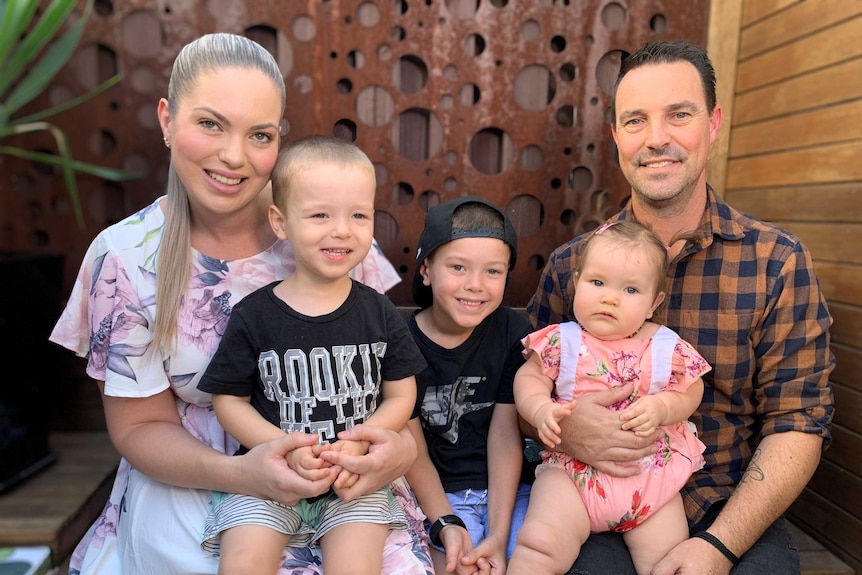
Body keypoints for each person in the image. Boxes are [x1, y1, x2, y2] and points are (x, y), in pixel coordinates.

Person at [48, 33, 433, 575]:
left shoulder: (329, 231)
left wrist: (399, 452)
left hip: (345, 479)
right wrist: (245, 474)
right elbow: (138, 427)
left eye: (259, 134)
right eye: (210, 123)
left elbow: (381, 384)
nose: (234, 156)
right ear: (166, 119)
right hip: (198, 476)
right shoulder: (126, 258)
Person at [527, 39, 835, 575]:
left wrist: (719, 546)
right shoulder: (572, 266)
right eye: (636, 120)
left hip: (728, 505)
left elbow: (798, 421)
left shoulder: (775, 262)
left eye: (679, 114)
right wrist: (559, 428)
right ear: (617, 136)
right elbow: (523, 391)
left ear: (713, 123)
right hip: (592, 493)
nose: (657, 139)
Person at [196, 135, 425, 575]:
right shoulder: (255, 315)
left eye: (358, 215)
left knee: (357, 565)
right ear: (281, 222)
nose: (342, 229)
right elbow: (229, 400)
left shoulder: (377, 311)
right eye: (320, 214)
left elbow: (401, 395)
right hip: (268, 475)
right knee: (243, 562)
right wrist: (277, 447)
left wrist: (360, 439)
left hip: (354, 479)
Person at [509, 220, 709, 575]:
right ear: (576, 284)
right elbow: (529, 379)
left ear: (653, 303)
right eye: (597, 282)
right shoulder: (563, 340)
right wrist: (540, 408)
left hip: (649, 477)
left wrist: (664, 406)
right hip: (572, 477)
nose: (609, 297)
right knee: (539, 544)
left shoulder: (665, 346)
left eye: (631, 290)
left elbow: (692, 388)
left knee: (668, 560)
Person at [404, 196, 533, 575]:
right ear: (426, 270)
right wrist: (445, 523)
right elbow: (412, 449)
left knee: (531, 558)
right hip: (432, 496)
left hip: (509, 493)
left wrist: (498, 532)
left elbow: (505, 434)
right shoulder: (400, 343)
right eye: (458, 267)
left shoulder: (513, 332)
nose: (475, 285)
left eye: (493, 272)